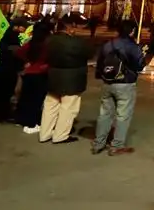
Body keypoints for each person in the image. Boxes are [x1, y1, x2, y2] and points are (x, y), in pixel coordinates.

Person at [93, 21, 145, 155]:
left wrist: (102, 77)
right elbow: (140, 65)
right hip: (125, 84)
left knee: (104, 114)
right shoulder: (132, 46)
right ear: (132, 31)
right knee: (123, 115)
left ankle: (98, 143)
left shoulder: (108, 44)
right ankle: (116, 145)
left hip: (107, 82)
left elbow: (100, 63)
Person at [40, 22, 94, 144]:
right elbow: (89, 53)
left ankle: (45, 133)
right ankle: (60, 135)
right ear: (69, 29)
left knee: (50, 106)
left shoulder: (49, 41)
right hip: (72, 78)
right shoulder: (76, 42)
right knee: (68, 108)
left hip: (53, 76)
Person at [15, 22, 52, 134]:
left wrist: (27, 62)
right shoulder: (47, 44)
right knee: (37, 100)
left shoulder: (30, 43)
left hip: (29, 73)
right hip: (40, 74)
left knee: (26, 98)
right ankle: (32, 123)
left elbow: (19, 52)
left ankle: (22, 119)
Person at [0, 21, 21, 123]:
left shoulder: (1, 44)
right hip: (10, 73)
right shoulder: (15, 47)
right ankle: (2, 114)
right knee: (5, 95)